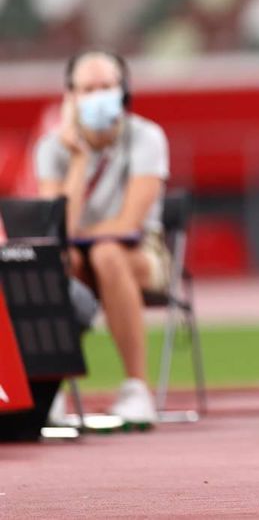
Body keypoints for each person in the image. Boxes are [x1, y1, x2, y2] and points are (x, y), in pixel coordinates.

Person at [35, 50, 169, 426]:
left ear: (123, 91)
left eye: (107, 87)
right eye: (88, 88)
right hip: (79, 260)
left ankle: (136, 388)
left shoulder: (146, 137)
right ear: (71, 96)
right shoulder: (50, 148)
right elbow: (57, 229)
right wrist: (77, 160)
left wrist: (78, 236)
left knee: (107, 254)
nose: (98, 95)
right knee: (62, 262)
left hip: (141, 255)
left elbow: (128, 222)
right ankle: (51, 387)